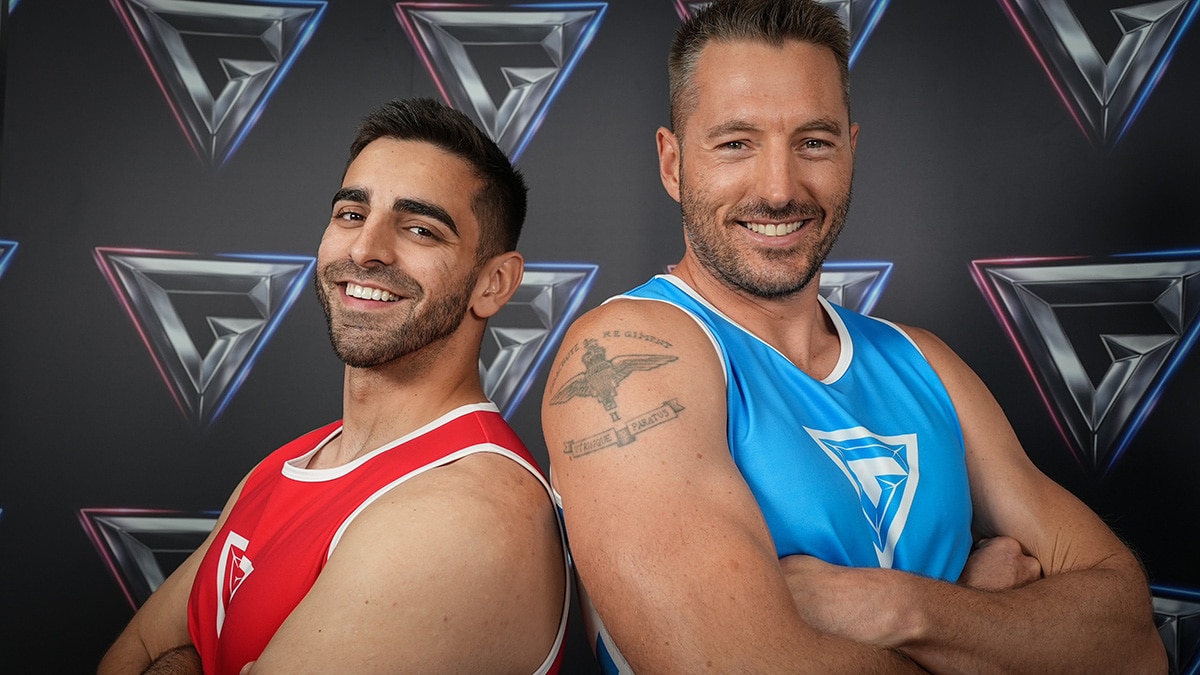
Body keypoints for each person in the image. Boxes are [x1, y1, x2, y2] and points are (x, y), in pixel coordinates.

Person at [540, 1, 1166, 672]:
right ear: (672, 164)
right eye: (735, 143)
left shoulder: (923, 362)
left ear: (851, 151)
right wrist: (990, 627)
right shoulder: (632, 354)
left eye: (813, 142)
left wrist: (905, 609)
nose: (779, 189)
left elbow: (1134, 647)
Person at [99, 98, 569, 675]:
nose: (365, 250)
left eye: (420, 229)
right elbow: (133, 653)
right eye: (351, 214)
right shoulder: (289, 463)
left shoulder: (463, 515)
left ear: (494, 283)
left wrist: (188, 657)